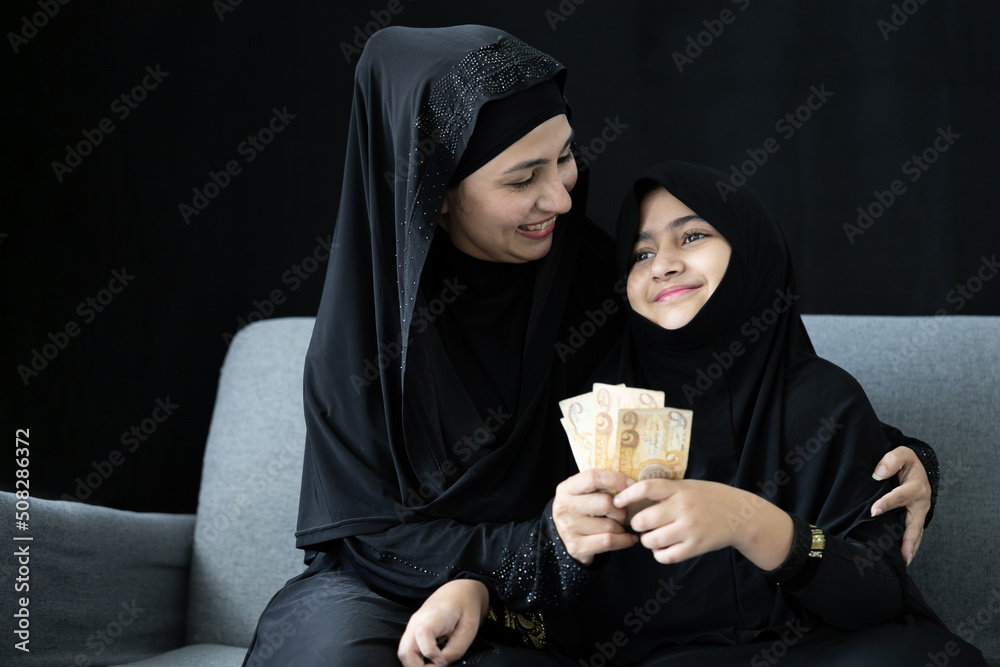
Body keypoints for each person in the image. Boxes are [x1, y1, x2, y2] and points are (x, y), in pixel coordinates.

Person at [242, 26, 938, 666]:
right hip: (391, 585)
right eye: (523, 179)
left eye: (566, 157)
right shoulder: (365, 342)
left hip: (547, 604)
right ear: (439, 194)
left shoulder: (593, 283)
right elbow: (366, 534)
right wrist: (514, 561)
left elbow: (731, 373)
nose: (565, 198)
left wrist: (896, 456)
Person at [402, 162, 985, 666]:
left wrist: (746, 521)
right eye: (642, 252)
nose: (663, 265)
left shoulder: (823, 399)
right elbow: (563, 599)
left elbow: (877, 594)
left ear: (751, 248)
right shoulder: (597, 408)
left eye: (693, 236)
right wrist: (476, 592)